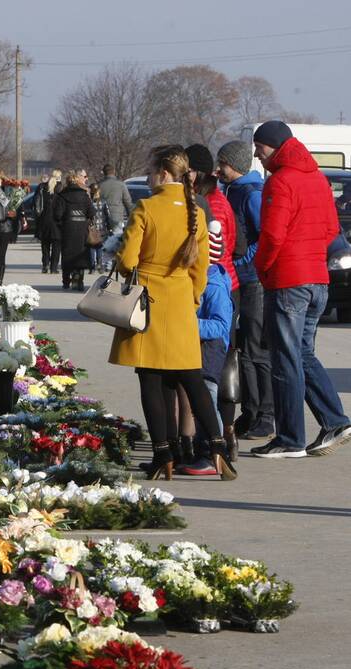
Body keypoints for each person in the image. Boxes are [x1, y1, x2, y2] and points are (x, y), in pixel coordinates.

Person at [109, 144, 234, 481]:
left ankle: (163, 454)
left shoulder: (147, 208)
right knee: (191, 377)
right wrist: (191, 300)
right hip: (181, 302)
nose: (149, 176)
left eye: (151, 170)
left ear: (163, 173)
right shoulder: (197, 211)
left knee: (151, 380)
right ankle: (219, 446)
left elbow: (127, 262)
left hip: (148, 303)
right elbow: (202, 269)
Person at [248, 120, 351, 458]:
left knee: (285, 359)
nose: (256, 154)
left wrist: (262, 268)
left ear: (275, 146)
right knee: (302, 353)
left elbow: (272, 235)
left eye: (259, 147)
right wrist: (309, 255)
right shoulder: (317, 178)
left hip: (289, 280)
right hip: (317, 278)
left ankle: (290, 439)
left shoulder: (280, 181)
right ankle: (335, 420)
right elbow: (332, 229)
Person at [185, 143, 241, 456]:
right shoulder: (212, 200)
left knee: (213, 369)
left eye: (188, 170)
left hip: (215, 287)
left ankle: (219, 435)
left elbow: (220, 250)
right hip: (218, 283)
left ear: (198, 172)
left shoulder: (211, 205)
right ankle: (216, 434)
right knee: (217, 366)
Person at [217, 140, 274, 441]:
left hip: (253, 282)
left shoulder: (252, 194)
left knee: (256, 350)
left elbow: (264, 237)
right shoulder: (233, 190)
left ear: (234, 165)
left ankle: (265, 414)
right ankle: (250, 412)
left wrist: (243, 263)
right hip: (239, 280)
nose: (219, 169)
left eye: (222, 164)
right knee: (243, 351)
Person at [179, 225, 234, 476]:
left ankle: (213, 453)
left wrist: (187, 321)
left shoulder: (213, 285)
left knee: (207, 398)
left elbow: (221, 325)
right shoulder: (202, 279)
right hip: (198, 343)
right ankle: (209, 447)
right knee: (200, 399)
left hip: (210, 347)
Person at [53, 169, 95, 291]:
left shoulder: (62, 196)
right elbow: (92, 212)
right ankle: (79, 280)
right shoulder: (84, 195)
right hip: (82, 228)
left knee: (67, 254)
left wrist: (62, 223)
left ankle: (66, 280)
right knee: (80, 253)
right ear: (77, 181)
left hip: (67, 228)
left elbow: (57, 215)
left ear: (67, 182)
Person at [0, 170, 20, 291]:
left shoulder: (8, 192)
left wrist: (8, 213)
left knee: (1, 256)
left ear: (2, 180)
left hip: (5, 227)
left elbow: (14, 212)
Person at [34, 169, 62, 273]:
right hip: (56, 221)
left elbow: (35, 203)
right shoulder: (60, 188)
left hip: (44, 219)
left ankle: (45, 264)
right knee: (56, 245)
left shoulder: (42, 187)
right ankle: (54, 267)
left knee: (45, 244)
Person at [97, 163, 133, 229]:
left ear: (104, 173)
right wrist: (131, 217)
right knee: (116, 237)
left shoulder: (99, 185)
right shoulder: (121, 185)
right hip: (117, 218)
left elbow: (95, 202)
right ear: (114, 171)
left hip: (102, 218)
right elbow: (128, 202)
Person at [89, 184, 110, 272]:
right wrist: (109, 226)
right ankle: (99, 264)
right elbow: (108, 214)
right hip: (102, 226)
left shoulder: (89, 202)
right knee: (100, 247)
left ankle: (92, 266)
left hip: (92, 227)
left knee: (92, 247)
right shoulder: (104, 202)